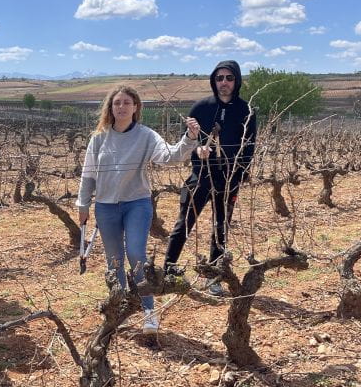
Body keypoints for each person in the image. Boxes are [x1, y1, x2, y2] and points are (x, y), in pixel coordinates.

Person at [77, 86, 200, 333]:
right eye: (116, 103)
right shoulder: (99, 138)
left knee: (136, 255)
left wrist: (190, 138)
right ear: (110, 108)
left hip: (137, 204)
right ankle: (122, 305)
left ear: (136, 107)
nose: (121, 107)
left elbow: (170, 157)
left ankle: (148, 310)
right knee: (114, 261)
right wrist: (83, 203)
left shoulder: (146, 135)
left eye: (126, 103)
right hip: (105, 206)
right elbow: (88, 174)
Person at [162, 60, 257, 295]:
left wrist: (239, 172)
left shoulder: (247, 111)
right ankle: (168, 270)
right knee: (184, 223)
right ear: (213, 81)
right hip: (201, 176)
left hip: (229, 180)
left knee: (221, 227)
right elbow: (185, 140)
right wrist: (197, 150)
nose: (224, 82)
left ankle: (213, 276)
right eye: (219, 78)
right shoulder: (200, 108)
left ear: (237, 80)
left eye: (229, 78)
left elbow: (249, 146)